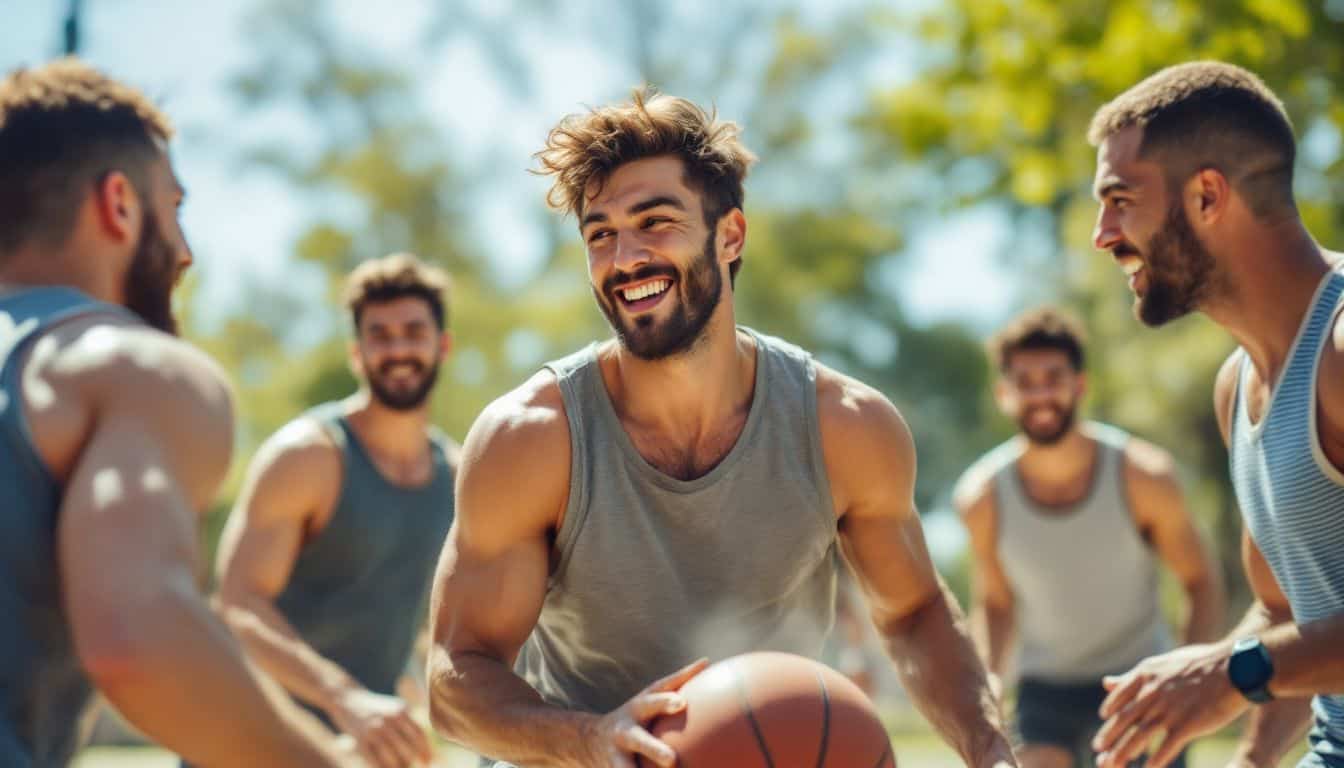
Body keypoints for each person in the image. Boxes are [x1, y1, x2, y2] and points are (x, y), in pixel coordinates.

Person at [423, 89, 1018, 768]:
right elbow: (454, 676)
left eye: (655, 221)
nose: (625, 258)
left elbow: (915, 615)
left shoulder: (844, 427)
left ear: (730, 234)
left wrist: (992, 751)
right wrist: (589, 737)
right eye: (601, 234)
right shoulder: (528, 439)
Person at [0, 58, 351, 767]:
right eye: (177, 208)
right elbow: (138, 644)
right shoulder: (130, 368)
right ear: (120, 205)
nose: (186, 251)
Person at [1086, 61, 1344, 768]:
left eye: (1119, 200)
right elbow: (1288, 617)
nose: (1102, 235)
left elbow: (1271, 657)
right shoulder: (1237, 388)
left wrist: (1234, 672)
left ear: (1207, 195)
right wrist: (1250, 758)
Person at [205, 254, 458, 768]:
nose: (398, 349)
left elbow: (421, 617)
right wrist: (345, 697)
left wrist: (419, 690)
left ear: (442, 346)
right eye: (380, 335)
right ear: (356, 354)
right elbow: (237, 603)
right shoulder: (308, 456)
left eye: (413, 331)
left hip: (358, 751)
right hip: (249, 744)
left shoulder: (455, 472)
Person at [956, 306, 1225, 768]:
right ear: (1004, 394)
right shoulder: (982, 497)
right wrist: (989, 683)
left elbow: (1200, 581)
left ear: (1080, 384)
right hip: (1044, 688)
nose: (1040, 394)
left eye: (1053, 377)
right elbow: (997, 604)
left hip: (1138, 679)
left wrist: (1186, 672)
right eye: (1024, 381)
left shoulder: (1144, 475)